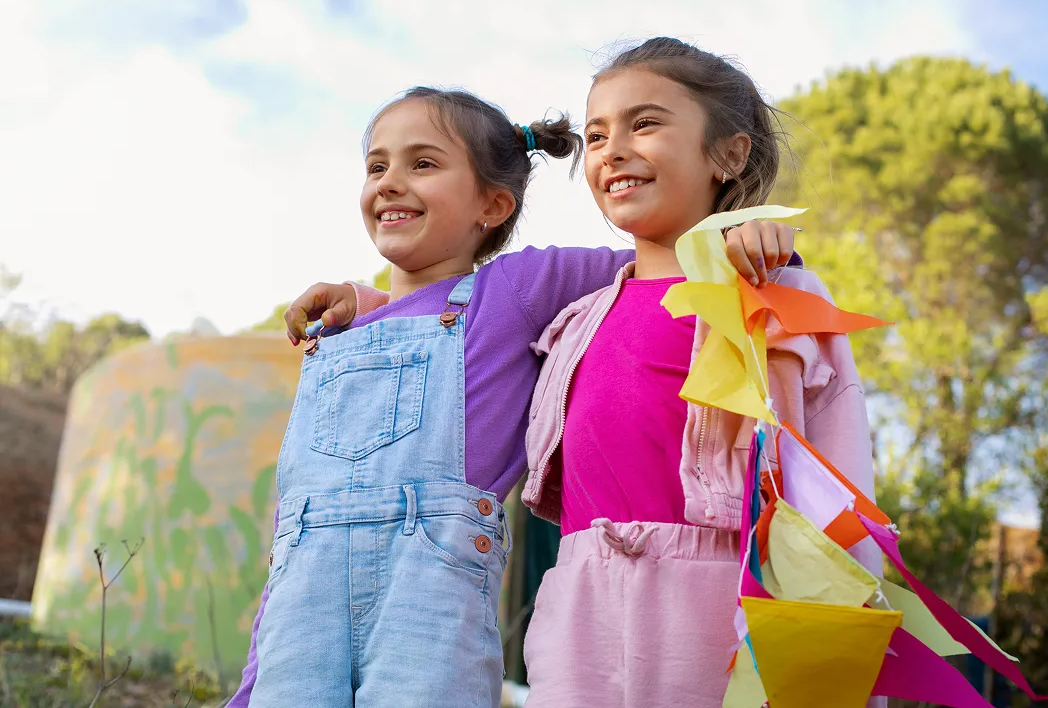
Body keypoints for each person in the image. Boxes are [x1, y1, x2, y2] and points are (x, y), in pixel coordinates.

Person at [230, 85, 796, 707]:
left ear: (493, 205)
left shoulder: (516, 289)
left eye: (422, 164)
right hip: (299, 609)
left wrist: (746, 237)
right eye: (377, 166)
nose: (389, 182)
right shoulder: (331, 337)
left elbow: (658, 258)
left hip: (429, 606)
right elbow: (294, 532)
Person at [518, 38, 883, 707]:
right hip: (576, 616)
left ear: (728, 154)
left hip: (721, 614)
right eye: (596, 134)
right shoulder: (573, 322)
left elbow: (840, 481)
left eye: (645, 123)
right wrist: (366, 303)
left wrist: (836, 653)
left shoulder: (779, 299)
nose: (613, 149)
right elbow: (450, 302)